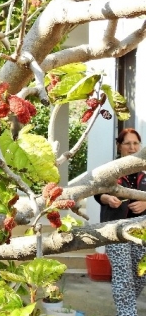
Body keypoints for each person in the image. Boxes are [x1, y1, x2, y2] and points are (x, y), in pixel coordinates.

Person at [95, 128, 146, 316]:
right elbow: (97, 192)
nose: (132, 147)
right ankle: (127, 313)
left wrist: (145, 201)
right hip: (114, 229)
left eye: (135, 143)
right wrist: (107, 199)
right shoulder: (110, 170)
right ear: (119, 146)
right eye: (127, 143)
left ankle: (125, 311)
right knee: (123, 275)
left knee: (141, 275)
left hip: (142, 232)